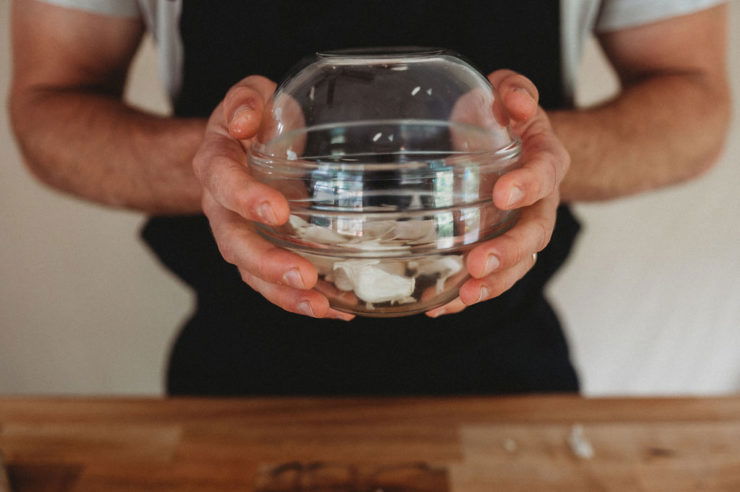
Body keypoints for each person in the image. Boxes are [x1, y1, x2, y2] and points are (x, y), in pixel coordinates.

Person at [9, 0, 730, 395]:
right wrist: (219, 168)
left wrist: (538, 160)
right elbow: (48, 103)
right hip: (239, 370)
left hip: (504, 362)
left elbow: (695, 100)